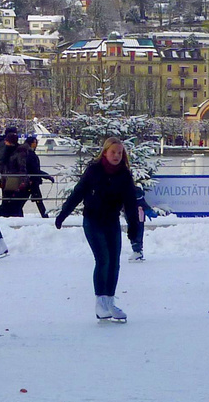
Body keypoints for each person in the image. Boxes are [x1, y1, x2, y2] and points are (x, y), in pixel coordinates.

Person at [56, 137, 143, 322]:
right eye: (113, 152)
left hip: (111, 221)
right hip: (93, 221)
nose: (117, 156)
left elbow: (130, 203)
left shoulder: (124, 175)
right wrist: (63, 214)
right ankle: (100, 303)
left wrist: (133, 227)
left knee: (114, 262)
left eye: (120, 153)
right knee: (103, 259)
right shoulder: (94, 170)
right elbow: (78, 192)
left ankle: (110, 302)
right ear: (105, 152)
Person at [0, 142, 32, 217]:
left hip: (11, 179)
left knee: (10, 202)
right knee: (11, 202)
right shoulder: (12, 151)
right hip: (10, 179)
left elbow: (20, 167)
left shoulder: (10, 151)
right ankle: (12, 216)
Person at [23, 134, 53, 218]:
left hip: (31, 180)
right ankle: (44, 216)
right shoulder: (30, 154)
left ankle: (44, 215)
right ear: (31, 143)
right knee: (38, 199)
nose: (36, 144)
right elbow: (34, 169)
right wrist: (47, 176)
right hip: (32, 180)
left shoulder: (28, 153)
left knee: (27, 199)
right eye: (35, 142)